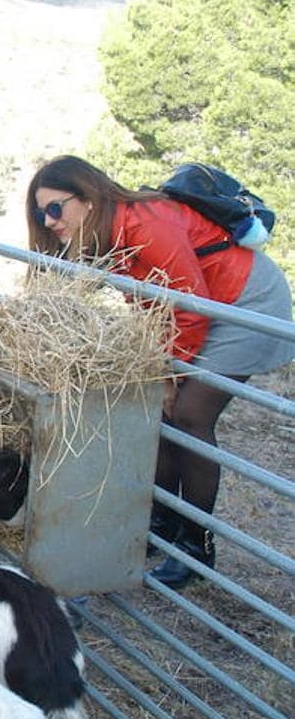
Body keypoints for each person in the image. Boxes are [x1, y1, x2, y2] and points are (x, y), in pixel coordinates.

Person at [26, 155, 294, 588]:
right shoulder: (108, 234)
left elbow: (189, 307)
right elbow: (155, 304)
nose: (49, 220)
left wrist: (170, 376)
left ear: (88, 198)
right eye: (42, 213)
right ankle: (163, 527)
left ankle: (195, 543)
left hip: (246, 303)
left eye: (56, 207)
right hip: (205, 306)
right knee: (158, 412)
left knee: (190, 416)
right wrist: (162, 374)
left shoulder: (146, 223)